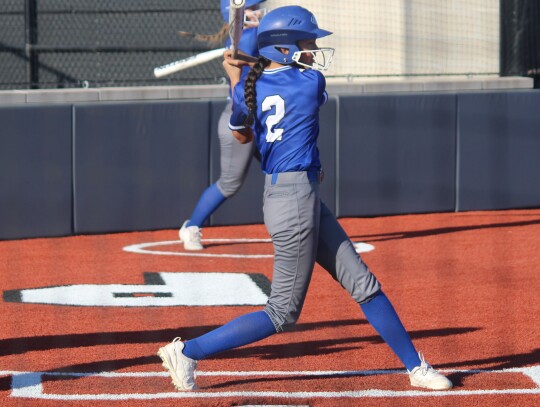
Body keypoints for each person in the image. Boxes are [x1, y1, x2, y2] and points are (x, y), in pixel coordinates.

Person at [158, 5, 453, 392]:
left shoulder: (250, 89)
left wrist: (236, 77)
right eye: (307, 41)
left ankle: (416, 367)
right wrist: (244, 70)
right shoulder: (308, 82)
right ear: (283, 48)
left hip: (295, 192)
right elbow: (281, 92)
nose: (314, 48)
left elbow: (244, 134)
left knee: (363, 283)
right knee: (282, 312)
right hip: (293, 201)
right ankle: (188, 351)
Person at [178, 0, 267, 250]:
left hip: (262, 117)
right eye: (252, 8)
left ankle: (300, 224)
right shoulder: (248, 38)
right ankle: (192, 227)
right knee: (230, 183)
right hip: (241, 118)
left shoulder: (249, 37)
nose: (259, 10)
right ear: (237, 14)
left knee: (281, 170)